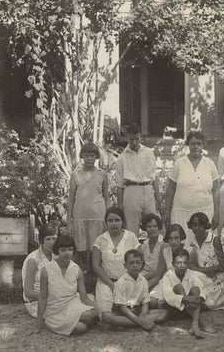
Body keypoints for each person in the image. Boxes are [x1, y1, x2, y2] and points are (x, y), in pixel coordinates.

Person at [164, 131, 220, 247]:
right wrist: (167, 212)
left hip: (205, 212)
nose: (195, 146)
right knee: (182, 247)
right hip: (181, 213)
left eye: (199, 143)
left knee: (205, 246)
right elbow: (171, 189)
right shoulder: (179, 163)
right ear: (188, 145)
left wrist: (217, 213)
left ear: (203, 145)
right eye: (193, 143)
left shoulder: (210, 164)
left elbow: (215, 190)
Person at [37, 235, 100, 335]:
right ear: (57, 251)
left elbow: (84, 297)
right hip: (55, 310)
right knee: (81, 328)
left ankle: (85, 320)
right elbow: (42, 298)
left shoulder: (76, 269)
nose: (67, 253)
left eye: (70, 249)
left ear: (73, 251)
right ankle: (76, 323)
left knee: (91, 314)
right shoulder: (46, 270)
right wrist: (38, 326)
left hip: (72, 304)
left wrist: (99, 312)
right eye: (63, 250)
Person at [67, 142, 109, 270]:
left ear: (96, 157)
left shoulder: (102, 174)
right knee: (80, 252)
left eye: (92, 155)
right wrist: (69, 221)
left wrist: (108, 219)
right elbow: (71, 199)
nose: (89, 158)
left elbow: (106, 199)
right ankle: (81, 277)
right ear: (82, 156)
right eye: (86, 155)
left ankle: (95, 277)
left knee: (96, 251)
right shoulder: (76, 174)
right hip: (80, 217)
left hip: (98, 217)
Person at [92, 207, 140, 313]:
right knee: (106, 312)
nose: (114, 223)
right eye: (110, 220)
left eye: (117, 220)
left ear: (122, 221)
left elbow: (139, 260)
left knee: (130, 310)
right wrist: (111, 284)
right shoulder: (100, 239)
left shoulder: (131, 237)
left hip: (128, 282)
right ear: (106, 222)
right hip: (106, 282)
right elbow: (95, 266)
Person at [116, 123, 160, 235]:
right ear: (127, 137)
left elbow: (154, 176)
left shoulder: (149, 152)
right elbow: (120, 185)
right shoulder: (122, 158)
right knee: (131, 228)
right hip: (131, 191)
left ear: (140, 136)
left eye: (137, 139)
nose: (134, 142)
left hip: (148, 190)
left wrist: (158, 198)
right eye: (131, 139)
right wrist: (120, 207)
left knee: (153, 225)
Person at [162, 248, 215, 339]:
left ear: (188, 263)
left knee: (195, 289)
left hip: (192, 307)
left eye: (185, 262)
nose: (182, 265)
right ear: (173, 264)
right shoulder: (168, 275)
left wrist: (199, 298)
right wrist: (187, 299)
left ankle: (194, 324)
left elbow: (201, 289)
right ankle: (199, 322)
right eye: (179, 263)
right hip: (176, 309)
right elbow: (169, 296)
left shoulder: (191, 273)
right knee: (178, 287)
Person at [188, 212, 224, 311]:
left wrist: (199, 270)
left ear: (205, 226)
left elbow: (223, 267)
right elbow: (191, 265)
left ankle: (201, 303)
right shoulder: (194, 243)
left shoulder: (215, 240)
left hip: (218, 280)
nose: (197, 228)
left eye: (200, 225)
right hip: (204, 278)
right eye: (194, 225)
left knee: (194, 275)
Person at [112, 249, 168, 330]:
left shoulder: (143, 280)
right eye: (131, 263)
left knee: (164, 313)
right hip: (123, 311)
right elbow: (123, 308)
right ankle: (141, 322)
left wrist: (142, 315)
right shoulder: (121, 282)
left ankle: (127, 323)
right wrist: (140, 320)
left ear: (142, 264)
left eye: (138, 262)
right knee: (107, 317)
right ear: (125, 265)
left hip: (138, 309)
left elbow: (145, 302)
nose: (135, 265)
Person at [22, 223, 58, 317]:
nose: (51, 242)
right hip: (37, 302)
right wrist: (52, 297)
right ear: (42, 240)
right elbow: (28, 292)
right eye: (48, 239)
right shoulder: (33, 259)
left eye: (54, 238)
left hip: (55, 299)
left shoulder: (57, 256)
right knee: (81, 321)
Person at [148, 224, 188, 307]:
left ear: (181, 238)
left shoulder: (189, 250)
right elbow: (158, 276)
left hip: (184, 283)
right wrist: (144, 288)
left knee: (176, 299)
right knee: (151, 302)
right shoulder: (166, 251)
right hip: (167, 282)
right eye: (170, 238)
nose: (173, 241)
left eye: (176, 238)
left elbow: (191, 273)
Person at [138, 213, 165, 280]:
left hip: (159, 277)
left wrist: (141, 279)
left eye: (155, 226)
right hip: (143, 275)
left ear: (159, 227)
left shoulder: (163, 244)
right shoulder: (144, 245)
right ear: (145, 228)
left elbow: (159, 271)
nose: (152, 229)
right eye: (149, 226)